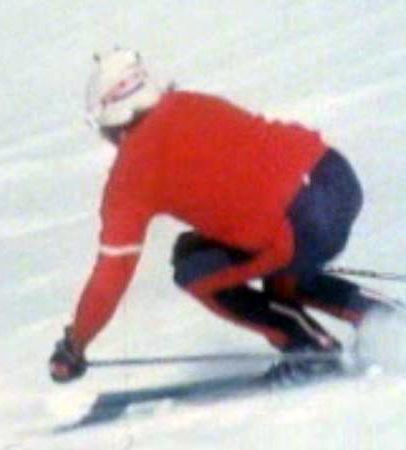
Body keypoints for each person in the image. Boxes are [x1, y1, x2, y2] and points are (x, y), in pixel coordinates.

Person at [49, 48, 388, 384]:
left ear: (114, 121)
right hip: (336, 177)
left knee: (194, 270)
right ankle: (384, 319)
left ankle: (310, 353)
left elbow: (112, 275)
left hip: (300, 225)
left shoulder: (129, 176)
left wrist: (75, 345)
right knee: (267, 259)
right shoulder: (188, 102)